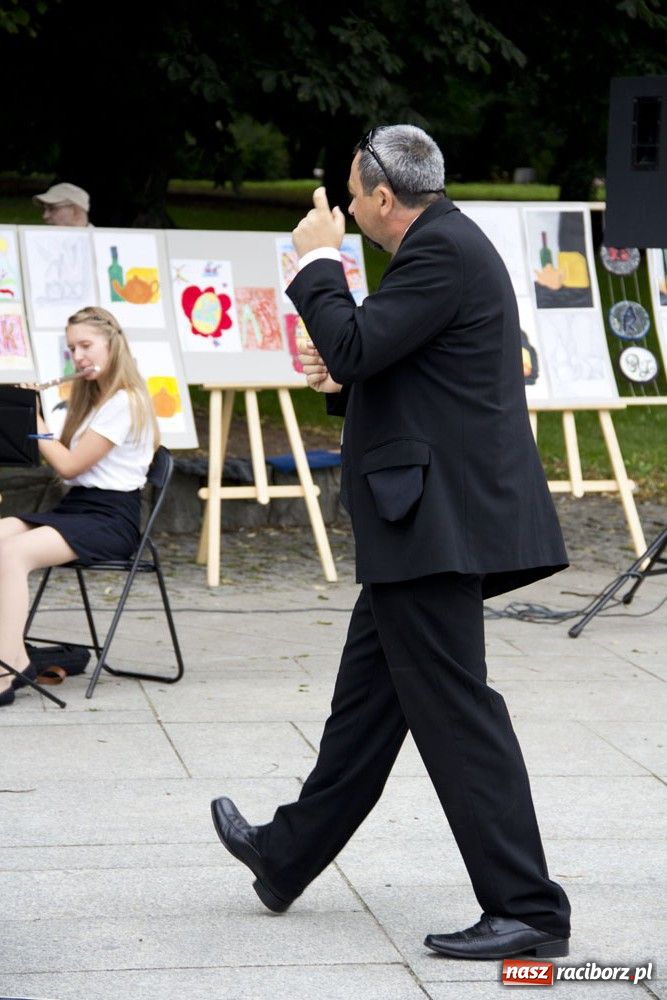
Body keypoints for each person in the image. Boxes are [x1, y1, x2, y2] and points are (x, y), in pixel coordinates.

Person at [210, 124, 572, 960]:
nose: (339, 206)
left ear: (380, 197)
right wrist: (345, 372)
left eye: (347, 191)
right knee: (367, 709)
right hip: (425, 520)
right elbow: (392, 360)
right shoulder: (442, 246)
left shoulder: (440, 250)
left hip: (435, 523)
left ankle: (528, 910)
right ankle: (286, 852)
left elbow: (358, 340)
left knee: (457, 716)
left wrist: (314, 262)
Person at [0, 306, 158, 707]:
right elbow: (70, 475)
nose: (78, 356)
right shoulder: (92, 401)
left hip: (111, 518)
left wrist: (31, 418)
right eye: (72, 348)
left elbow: (69, 463)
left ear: (113, 344)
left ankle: (10, 662)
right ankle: (8, 646)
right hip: (78, 509)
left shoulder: (127, 400)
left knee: (12, 554)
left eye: (86, 345)